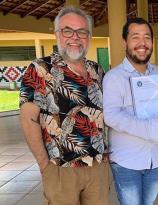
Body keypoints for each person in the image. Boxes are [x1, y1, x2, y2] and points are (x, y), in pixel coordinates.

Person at [19, 6, 108, 205]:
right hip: (61, 168)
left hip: (97, 167)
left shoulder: (97, 70)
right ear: (57, 33)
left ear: (89, 36)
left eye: (82, 32)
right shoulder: (41, 68)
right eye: (68, 30)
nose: (75, 37)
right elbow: (28, 118)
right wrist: (44, 165)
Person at [103, 18, 158, 205]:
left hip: (156, 158)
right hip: (127, 161)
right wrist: (153, 125)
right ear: (125, 42)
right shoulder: (114, 77)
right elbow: (112, 116)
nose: (142, 43)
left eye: (147, 37)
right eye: (135, 37)